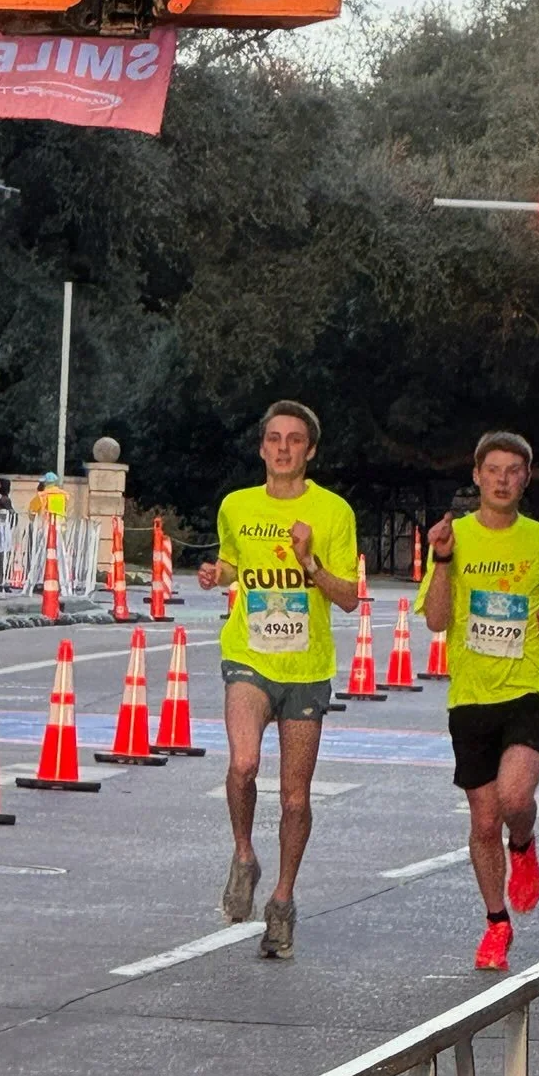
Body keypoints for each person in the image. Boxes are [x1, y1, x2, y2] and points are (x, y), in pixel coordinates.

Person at [198, 400, 358, 960]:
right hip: (249, 655)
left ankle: (283, 902)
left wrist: (311, 564)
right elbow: (235, 565)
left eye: (294, 440)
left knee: (294, 799)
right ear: (262, 447)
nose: (283, 448)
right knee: (243, 763)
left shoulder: (333, 512)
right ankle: (244, 854)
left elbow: (349, 598)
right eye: (273, 439)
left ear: (310, 450)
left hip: (307, 668)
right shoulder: (237, 506)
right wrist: (217, 573)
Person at [417, 431, 539, 974]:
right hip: (470, 696)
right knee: (484, 821)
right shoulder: (453, 537)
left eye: (514, 471)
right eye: (494, 470)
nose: (504, 479)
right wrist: (441, 560)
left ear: (526, 480)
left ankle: (526, 843)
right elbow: (437, 620)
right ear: (478, 476)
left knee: (514, 799)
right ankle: (496, 923)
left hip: (531, 687)